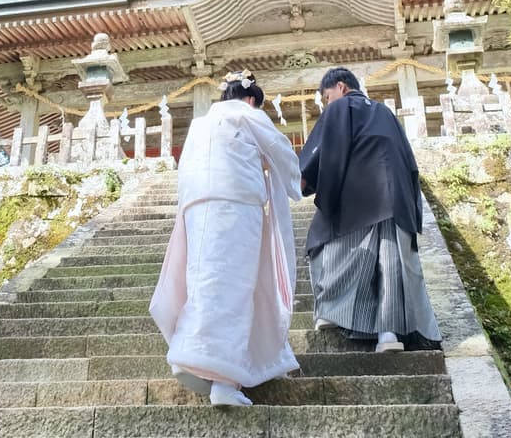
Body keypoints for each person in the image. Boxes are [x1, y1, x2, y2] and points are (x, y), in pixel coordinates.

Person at [150, 70, 303, 406]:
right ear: (251, 99)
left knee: (204, 280)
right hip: (234, 205)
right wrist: (299, 185)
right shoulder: (247, 114)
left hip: (196, 208)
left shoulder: (200, 124)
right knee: (234, 285)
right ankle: (223, 380)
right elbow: (280, 150)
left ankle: (194, 353)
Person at [300, 67, 441, 354]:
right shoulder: (385, 113)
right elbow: (409, 160)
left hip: (357, 198)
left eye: (327, 97)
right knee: (390, 266)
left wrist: (304, 180)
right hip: (396, 199)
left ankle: (332, 310)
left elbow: (329, 151)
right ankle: (388, 336)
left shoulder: (340, 109)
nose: (328, 103)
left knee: (329, 249)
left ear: (339, 87)